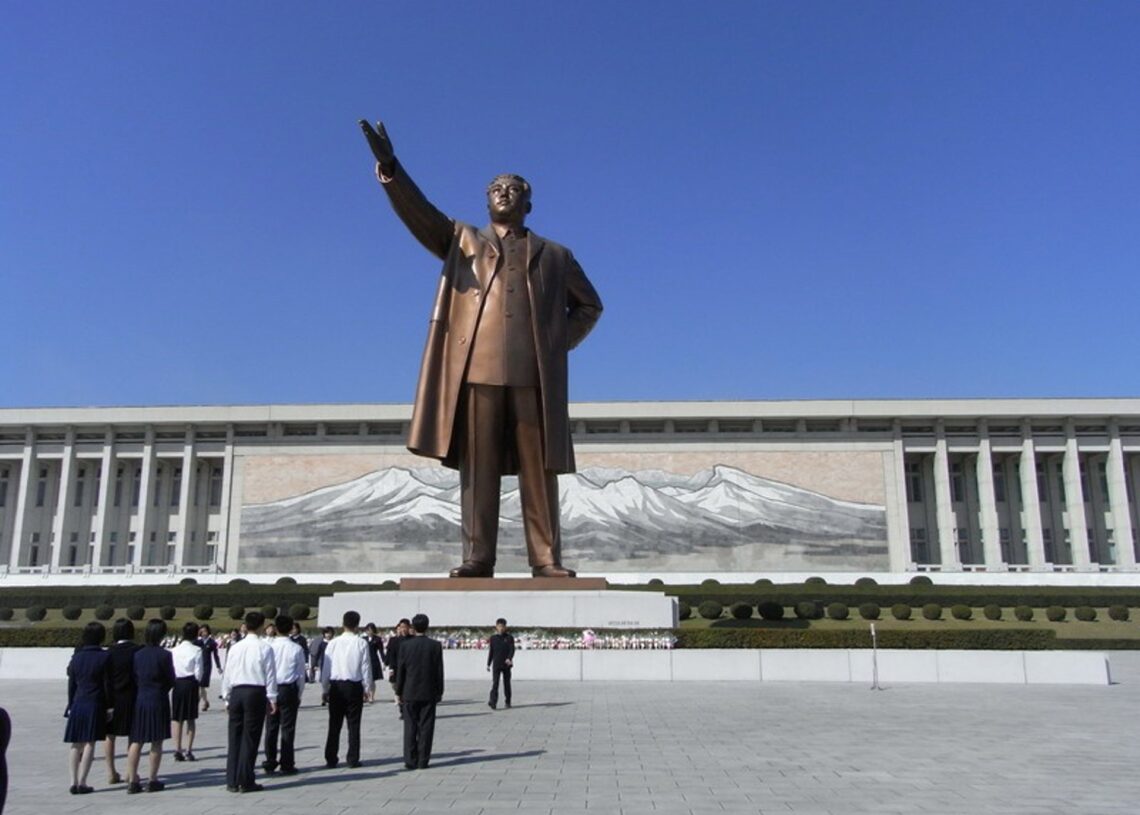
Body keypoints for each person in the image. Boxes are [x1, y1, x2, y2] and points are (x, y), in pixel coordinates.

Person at [360, 119, 603, 579]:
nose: (503, 192)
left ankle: (546, 558)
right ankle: (477, 557)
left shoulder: (556, 255)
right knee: (479, 469)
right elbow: (422, 214)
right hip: (476, 370)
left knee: (539, 469)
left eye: (513, 188)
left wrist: (554, 345)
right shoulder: (462, 240)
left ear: (529, 202)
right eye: (495, 187)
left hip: (533, 373)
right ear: (486, 199)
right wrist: (391, 168)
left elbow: (590, 306)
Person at [220, 611, 277, 793]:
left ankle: (231, 779)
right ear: (261, 626)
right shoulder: (265, 647)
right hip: (255, 692)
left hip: (236, 692)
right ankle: (246, 780)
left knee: (234, 736)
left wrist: (226, 697)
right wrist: (272, 697)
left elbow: (228, 673)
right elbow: (270, 674)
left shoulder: (236, 646)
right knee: (250, 738)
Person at [125, 619, 175, 794]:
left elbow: (134, 677)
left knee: (136, 740)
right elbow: (170, 679)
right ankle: (152, 779)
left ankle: (132, 780)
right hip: (158, 698)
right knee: (156, 741)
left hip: (141, 698)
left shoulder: (137, 654)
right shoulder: (165, 655)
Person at [64, 621, 111, 794]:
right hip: (95, 702)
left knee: (76, 744)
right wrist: (110, 706)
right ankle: (83, 781)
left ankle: (73, 781)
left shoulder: (77, 657)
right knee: (90, 742)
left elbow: (71, 683)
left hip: (78, 702)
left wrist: (70, 704)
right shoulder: (104, 656)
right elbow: (107, 685)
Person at [320, 610, 372, 769]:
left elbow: (326, 668)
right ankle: (353, 758)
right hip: (354, 686)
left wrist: (324, 688)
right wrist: (368, 687)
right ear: (357, 625)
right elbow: (366, 667)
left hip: (336, 686)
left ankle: (331, 757)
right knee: (354, 724)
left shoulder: (333, 643)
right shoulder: (361, 643)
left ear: (343, 624)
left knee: (334, 724)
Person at [395, 613, 444, 770]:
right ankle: (423, 760)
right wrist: (439, 691)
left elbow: (401, 670)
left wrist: (399, 690)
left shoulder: (405, 646)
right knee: (426, 727)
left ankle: (410, 759)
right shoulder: (435, 645)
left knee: (410, 726)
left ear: (413, 627)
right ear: (427, 626)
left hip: (409, 691)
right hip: (428, 692)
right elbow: (439, 671)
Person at [263, 614, 306, 776]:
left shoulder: (267, 647)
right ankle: (287, 763)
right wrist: (299, 694)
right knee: (288, 728)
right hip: (288, 689)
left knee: (271, 727)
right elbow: (301, 674)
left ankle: (270, 760)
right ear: (290, 629)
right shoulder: (296, 648)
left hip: (270, 689)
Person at [103, 618, 140, 785]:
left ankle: (111, 772)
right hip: (133, 698)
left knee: (110, 736)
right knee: (133, 736)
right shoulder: (138, 650)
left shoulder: (108, 652)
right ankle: (130, 772)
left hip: (112, 698)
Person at [171, 622, 203, 762]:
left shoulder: (174, 650)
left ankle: (177, 749)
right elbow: (199, 673)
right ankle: (188, 750)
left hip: (178, 683)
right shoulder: (197, 650)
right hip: (191, 683)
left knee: (177, 719)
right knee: (190, 718)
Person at [486, 618, 515, 710]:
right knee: (495, 683)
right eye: (499, 626)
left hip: (506, 664)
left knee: (507, 684)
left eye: (502, 626)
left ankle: (508, 701)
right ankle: (493, 702)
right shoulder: (493, 638)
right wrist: (488, 663)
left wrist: (509, 658)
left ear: (505, 627)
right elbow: (491, 651)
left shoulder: (509, 638)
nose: (501, 628)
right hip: (496, 664)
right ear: (496, 627)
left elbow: (512, 649)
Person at [385, 619, 411, 719]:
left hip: (409, 669)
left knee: (406, 690)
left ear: (409, 627)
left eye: (405, 627)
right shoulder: (394, 640)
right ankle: (402, 707)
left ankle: (405, 711)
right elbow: (391, 654)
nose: (403, 629)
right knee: (396, 687)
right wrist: (391, 668)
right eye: (401, 627)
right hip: (397, 668)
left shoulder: (412, 639)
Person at [197, 624, 222, 711]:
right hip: (199, 666)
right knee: (200, 686)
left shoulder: (212, 643)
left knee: (202, 685)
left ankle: (198, 703)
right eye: (202, 631)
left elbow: (216, 656)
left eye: (205, 631)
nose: (204, 633)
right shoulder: (198, 642)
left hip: (207, 666)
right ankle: (205, 701)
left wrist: (218, 666)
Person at [363, 622, 385, 701]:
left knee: (372, 680)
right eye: (368, 630)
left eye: (371, 630)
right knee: (364, 679)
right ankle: (365, 695)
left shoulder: (377, 639)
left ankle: (371, 696)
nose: (369, 631)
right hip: (364, 660)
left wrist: (384, 662)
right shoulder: (363, 639)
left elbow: (381, 651)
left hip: (373, 660)